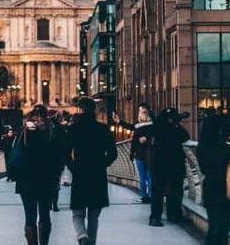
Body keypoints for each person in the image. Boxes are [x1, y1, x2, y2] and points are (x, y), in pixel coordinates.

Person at [12, 104, 65, 245]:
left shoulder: (23, 133)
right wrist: (56, 175)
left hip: (26, 181)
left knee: (30, 217)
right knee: (44, 216)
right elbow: (60, 155)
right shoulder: (51, 132)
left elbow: (14, 154)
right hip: (46, 181)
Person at [67, 97, 117, 245]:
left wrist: (73, 166)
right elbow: (113, 153)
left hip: (80, 173)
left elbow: (65, 153)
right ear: (93, 110)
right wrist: (102, 164)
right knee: (94, 214)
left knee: (78, 212)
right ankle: (91, 241)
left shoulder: (73, 129)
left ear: (80, 109)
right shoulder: (102, 129)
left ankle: (82, 236)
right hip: (97, 174)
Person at [197, 113, 230, 245]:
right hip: (214, 190)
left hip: (227, 189)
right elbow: (213, 161)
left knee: (224, 228)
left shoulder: (223, 142)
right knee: (216, 226)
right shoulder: (205, 145)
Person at [149, 108, 190, 227]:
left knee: (158, 191)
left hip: (159, 164)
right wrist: (176, 124)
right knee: (174, 190)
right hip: (174, 164)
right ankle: (173, 214)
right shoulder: (173, 128)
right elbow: (185, 137)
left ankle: (156, 217)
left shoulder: (157, 126)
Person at [113, 103, 155, 203]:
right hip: (139, 154)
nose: (142, 113)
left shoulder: (153, 124)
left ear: (148, 112)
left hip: (150, 153)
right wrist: (119, 122)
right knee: (142, 176)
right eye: (140, 111)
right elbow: (130, 127)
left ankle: (151, 196)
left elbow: (156, 133)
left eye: (144, 111)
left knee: (149, 175)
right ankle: (144, 196)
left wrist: (147, 138)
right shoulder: (137, 124)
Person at [51, 110, 71, 211]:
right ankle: (54, 204)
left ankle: (49, 202)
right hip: (58, 160)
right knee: (56, 181)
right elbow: (65, 145)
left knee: (48, 182)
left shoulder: (48, 128)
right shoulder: (62, 129)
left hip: (47, 160)